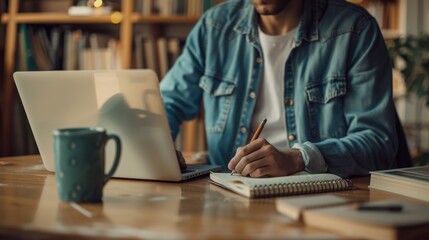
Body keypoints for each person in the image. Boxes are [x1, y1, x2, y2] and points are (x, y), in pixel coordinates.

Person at [160, 0, 398, 178]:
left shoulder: (354, 30)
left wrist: (299, 158)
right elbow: (166, 103)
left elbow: (378, 141)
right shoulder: (214, 28)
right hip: (230, 194)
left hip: (325, 199)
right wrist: (159, 145)